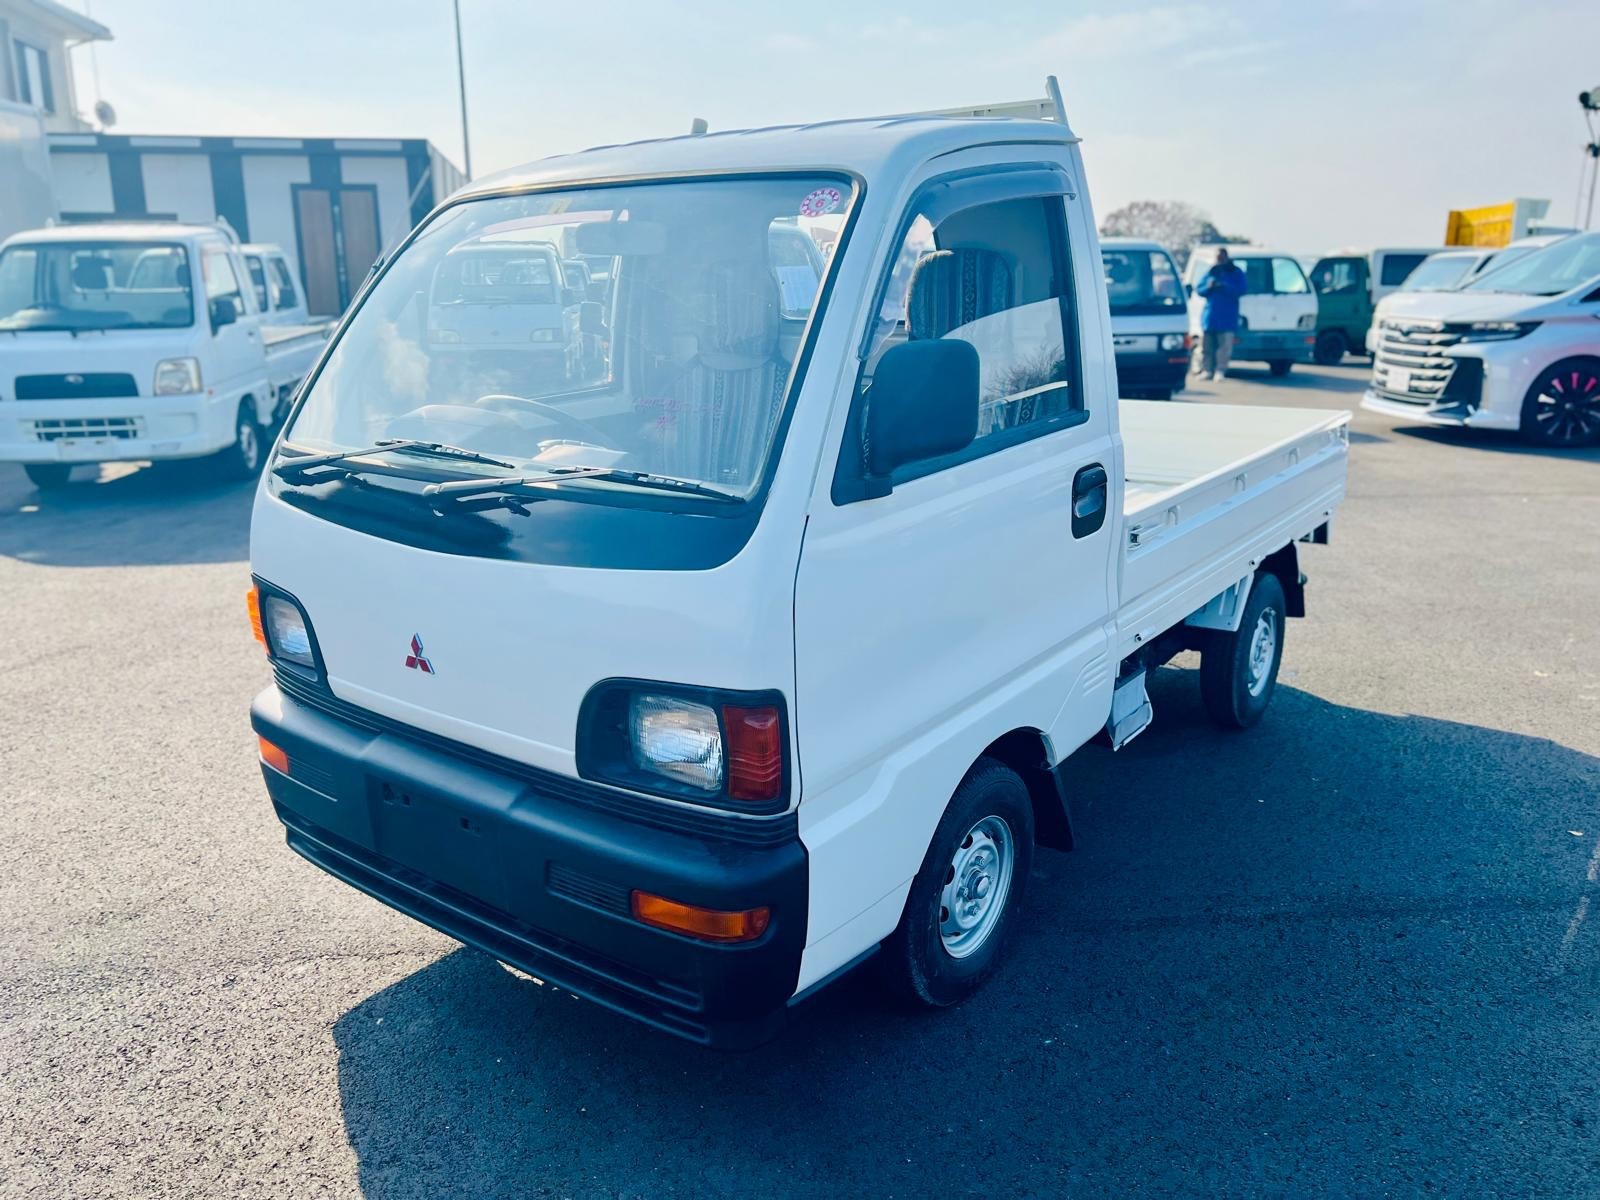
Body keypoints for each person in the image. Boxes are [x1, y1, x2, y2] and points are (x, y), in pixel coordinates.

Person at [1193, 248, 1248, 381]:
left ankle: (1220, 370)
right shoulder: (1212, 271)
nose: (1220, 260)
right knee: (1207, 347)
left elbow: (1241, 289)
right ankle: (1207, 370)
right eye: (1218, 257)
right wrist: (1209, 286)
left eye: (1222, 257)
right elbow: (1199, 289)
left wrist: (1224, 286)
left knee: (1224, 348)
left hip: (1227, 317)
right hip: (1211, 316)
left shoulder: (1235, 272)